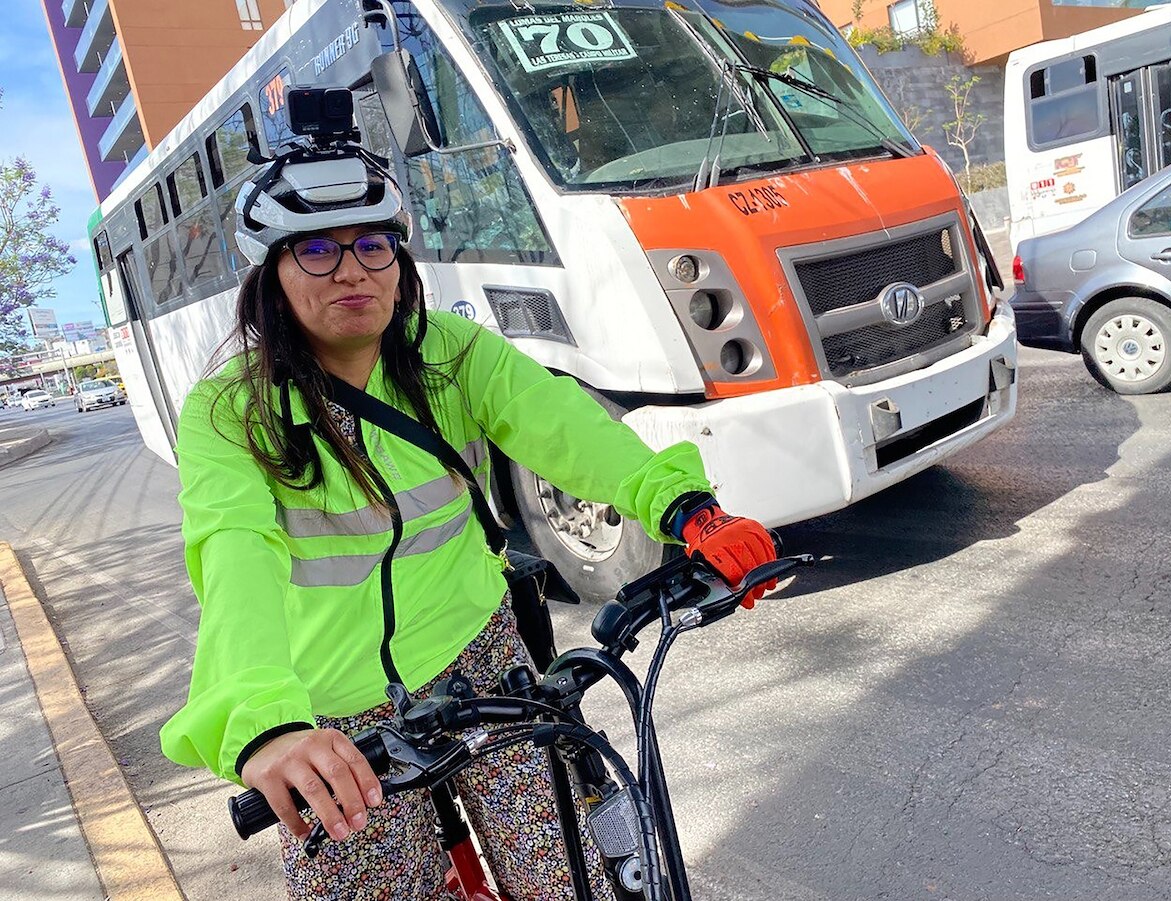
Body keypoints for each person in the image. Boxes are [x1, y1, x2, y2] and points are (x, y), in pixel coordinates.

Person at [158, 133, 777, 900]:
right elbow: (233, 558)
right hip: (334, 716)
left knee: (569, 877)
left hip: (482, 655)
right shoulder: (230, 412)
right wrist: (267, 723)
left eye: (374, 244)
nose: (351, 269)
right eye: (316, 248)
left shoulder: (447, 352)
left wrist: (685, 509)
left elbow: (557, 421)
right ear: (273, 274)